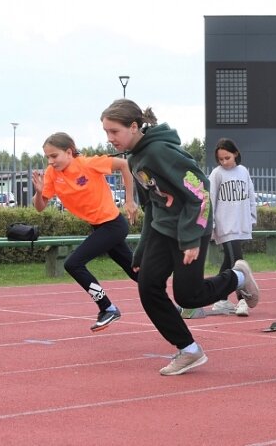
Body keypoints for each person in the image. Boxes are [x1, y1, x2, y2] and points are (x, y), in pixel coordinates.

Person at [100, 99, 259, 376]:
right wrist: (140, 250)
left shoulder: (161, 152)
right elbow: (152, 205)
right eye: (106, 132)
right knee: (148, 287)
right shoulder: (136, 158)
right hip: (163, 230)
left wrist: (190, 239)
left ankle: (238, 277)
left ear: (134, 127)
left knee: (189, 296)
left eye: (114, 131)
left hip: (190, 227)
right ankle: (189, 350)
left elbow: (200, 194)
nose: (109, 138)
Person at [32, 132, 138, 332]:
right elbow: (40, 207)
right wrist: (39, 192)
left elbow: (124, 165)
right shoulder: (52, 173)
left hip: (113, 225)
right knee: (136, 272)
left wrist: (130, 200)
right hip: (99, 227)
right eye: (47, 157)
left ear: (69, 152)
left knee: (73, 263)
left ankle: (107, 308)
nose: (50, 161)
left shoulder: (89, 164)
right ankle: (175, 304)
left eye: (54, 156)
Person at [207, 138, 258, 317]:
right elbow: (211, 198)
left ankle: (219, 298)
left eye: (227, 158)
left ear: (235, 153)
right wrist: (211, 224)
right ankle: (242, 299)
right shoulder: (217, 174)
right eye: (221, 159)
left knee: (229, 262)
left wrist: (252, 216)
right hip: (225, 225)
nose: (224, 162)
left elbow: (251, 194)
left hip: (240, 224)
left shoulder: (243, 171)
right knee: (238, 261)